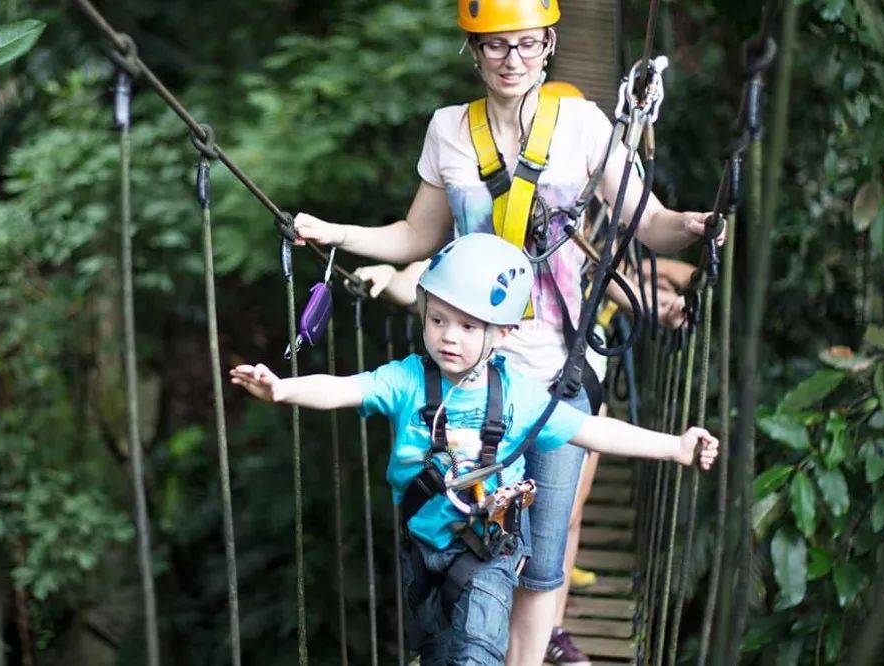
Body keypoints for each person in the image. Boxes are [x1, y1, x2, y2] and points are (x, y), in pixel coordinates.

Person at [290, 0, 721, 661]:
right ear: (474, 51)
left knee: (544, 556)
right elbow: (415, 235)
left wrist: (691, 226)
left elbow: (646, 220)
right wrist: (335, 234)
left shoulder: (581, 123)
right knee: (464, 543)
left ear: (549, 44)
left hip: (554, 374)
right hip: (468, 371)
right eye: (495, 46)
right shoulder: (448, 130)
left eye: (525, 44)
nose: (512, 59)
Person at [230, 234, 719, 665]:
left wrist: (674, 446)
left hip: (491, 552)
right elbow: (344, 388)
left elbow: (590, 431)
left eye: (468, 327)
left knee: (477, 651)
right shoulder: (405, 380)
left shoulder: (520, 396)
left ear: (503, 334)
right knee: (439, 651)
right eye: (438, 319)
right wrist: (282, 390)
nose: (448, 336)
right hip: (423, 551)